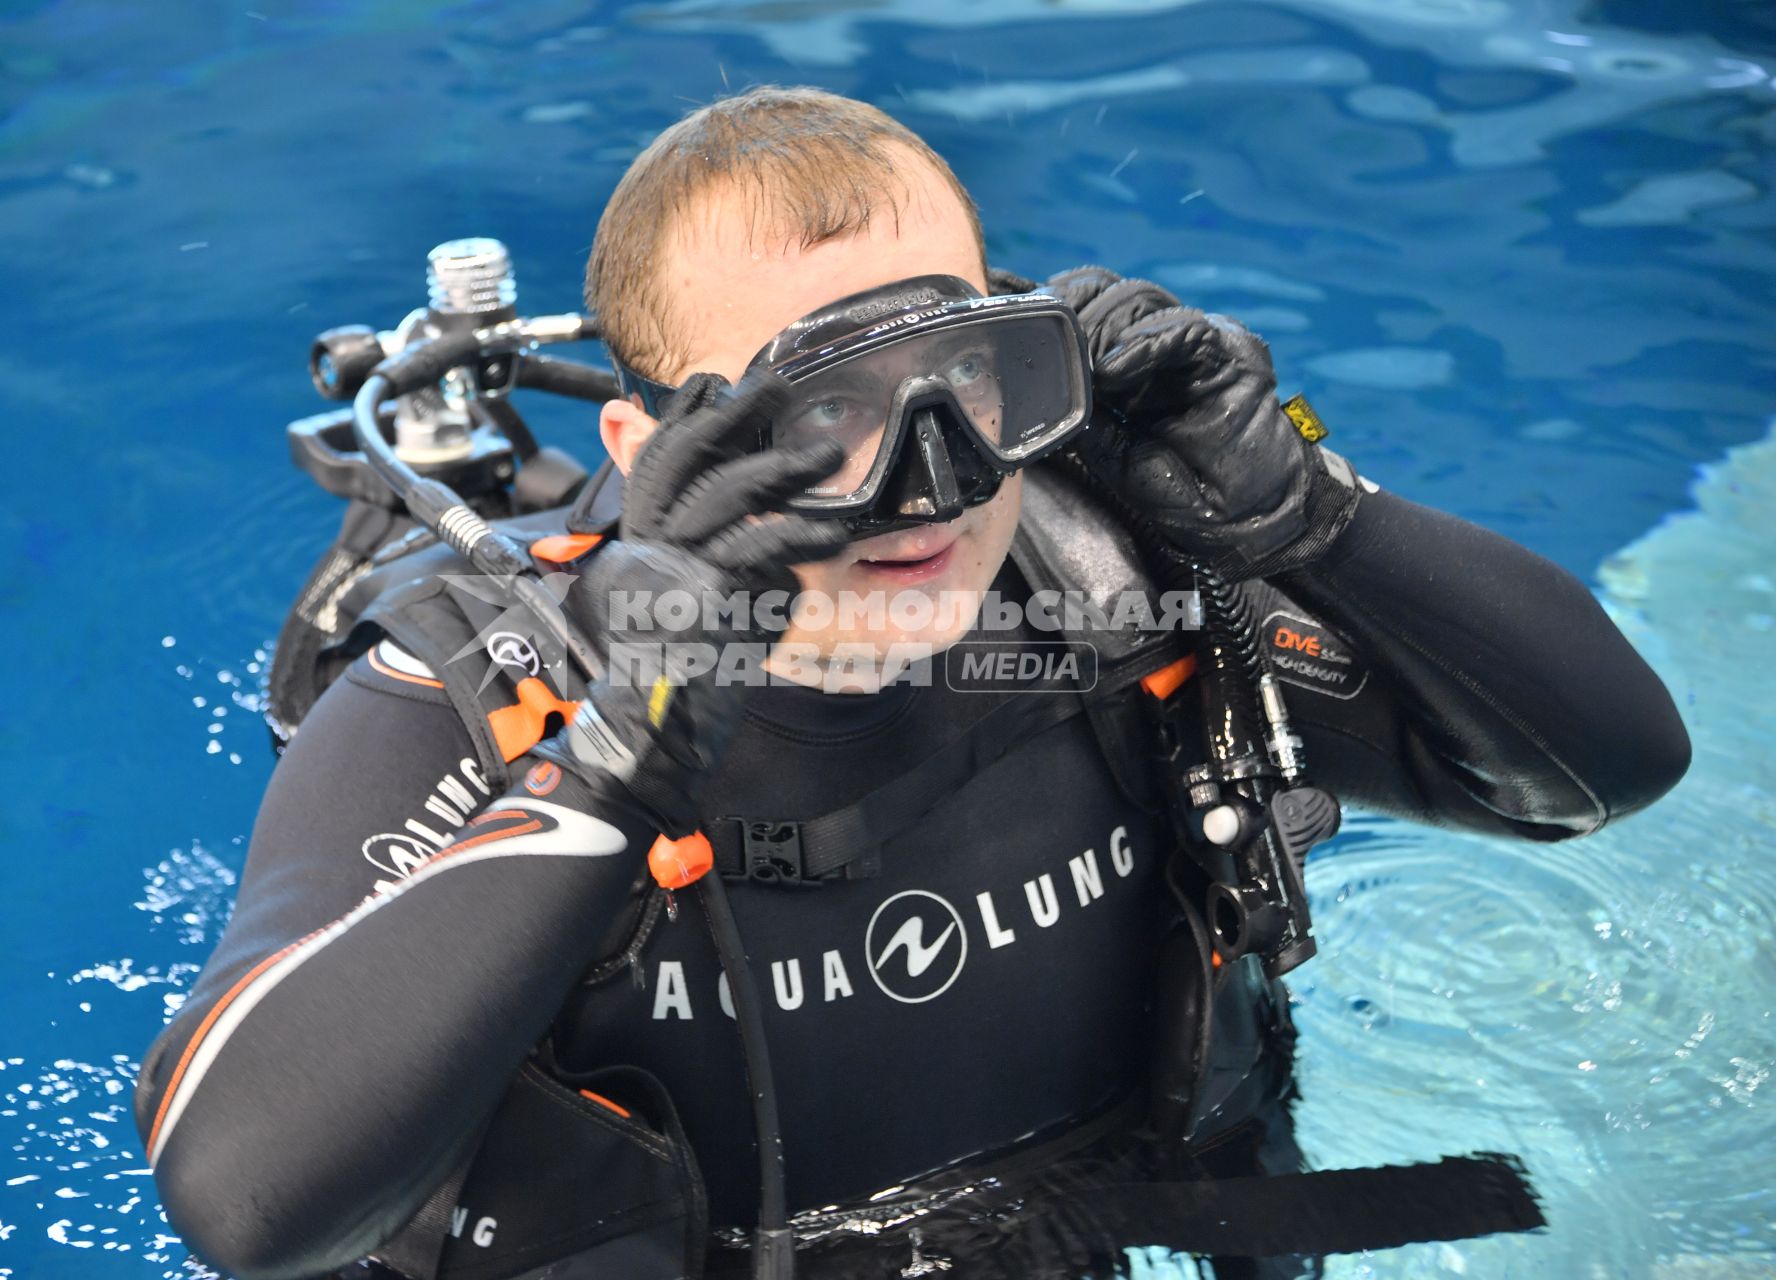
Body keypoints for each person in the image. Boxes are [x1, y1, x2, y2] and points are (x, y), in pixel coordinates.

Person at [133, 86, 1690, 1280]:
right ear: (645, 455)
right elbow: (252, 1203)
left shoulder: (1112, 602)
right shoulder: (474, 704)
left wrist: (1309, 512)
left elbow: (1605, 769)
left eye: (971, 390)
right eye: (821, 428)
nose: (931, 490)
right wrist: (622, 749)